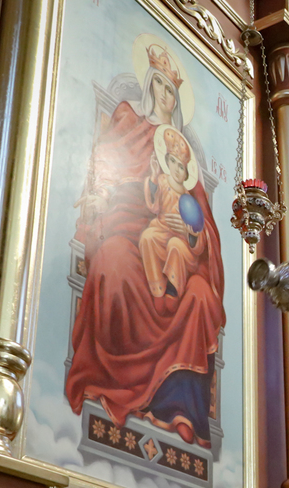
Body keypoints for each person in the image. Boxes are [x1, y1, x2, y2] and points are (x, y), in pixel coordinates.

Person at [66, 41, 226, 447]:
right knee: (113, 262)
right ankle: (114, 382)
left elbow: (204, 226)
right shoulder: (128, 122)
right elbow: (102, 172)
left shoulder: (185, 162)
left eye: (173, 91)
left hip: (178, 253)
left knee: (201, 294)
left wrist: (191, 233)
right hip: (126, 229)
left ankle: (178, 409)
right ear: (150, 85)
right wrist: (101, 196)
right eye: (161, 86)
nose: (166, 96)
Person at [140, 126, 207, 302]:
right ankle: (157, 287)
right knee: (147, 236)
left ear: (186, 174)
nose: (177, 169)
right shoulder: (162, 181)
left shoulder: (188, 198)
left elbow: (199, 233)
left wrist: (188, 233)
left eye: (181, 167)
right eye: (173, 162)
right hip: (160, 231)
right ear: (167, 162)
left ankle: (173, 288)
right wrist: (154, 177)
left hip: (181, 241)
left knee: (175, 245)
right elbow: (154, 206)